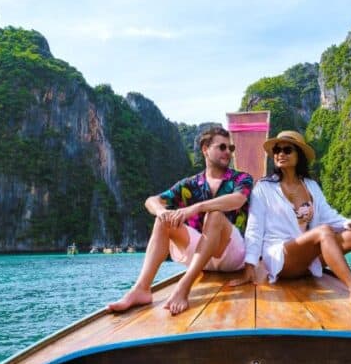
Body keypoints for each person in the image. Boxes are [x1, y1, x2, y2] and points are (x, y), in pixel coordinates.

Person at [231, 130, 351, 313]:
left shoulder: (311, 186)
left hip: (309, 258)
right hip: (282, 258)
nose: (280, 154)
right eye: (276, 150)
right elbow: (254, 228)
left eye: (287, 150)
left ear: (299, 155)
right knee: (323, 232)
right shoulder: (264, 188)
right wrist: (249, 265)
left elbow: (329, 215)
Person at [107, 126, 253, 316]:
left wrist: (196, 207)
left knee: (215, 214)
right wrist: (161, 211)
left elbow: (238, 199)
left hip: (231, 253)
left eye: (230, 149)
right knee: (164, 220)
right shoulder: (190, 184)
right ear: (205, 149)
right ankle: (141, 289)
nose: (227, 152)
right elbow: (151, 200)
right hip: (200, 254)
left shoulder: (241, 178)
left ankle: (184, 287)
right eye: (222, 147)